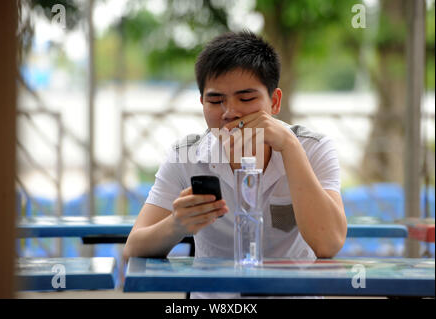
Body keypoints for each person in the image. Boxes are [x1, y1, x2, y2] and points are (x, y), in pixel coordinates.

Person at [123, 30, 347, 299]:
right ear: (202, 103)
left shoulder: (312, 148)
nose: (230, 113)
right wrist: (177, 224)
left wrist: (289, 147)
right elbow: (133, 250)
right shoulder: (186, 155)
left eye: (246, 99)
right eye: (216, 100)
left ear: (274, 101)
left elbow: (328, 244)